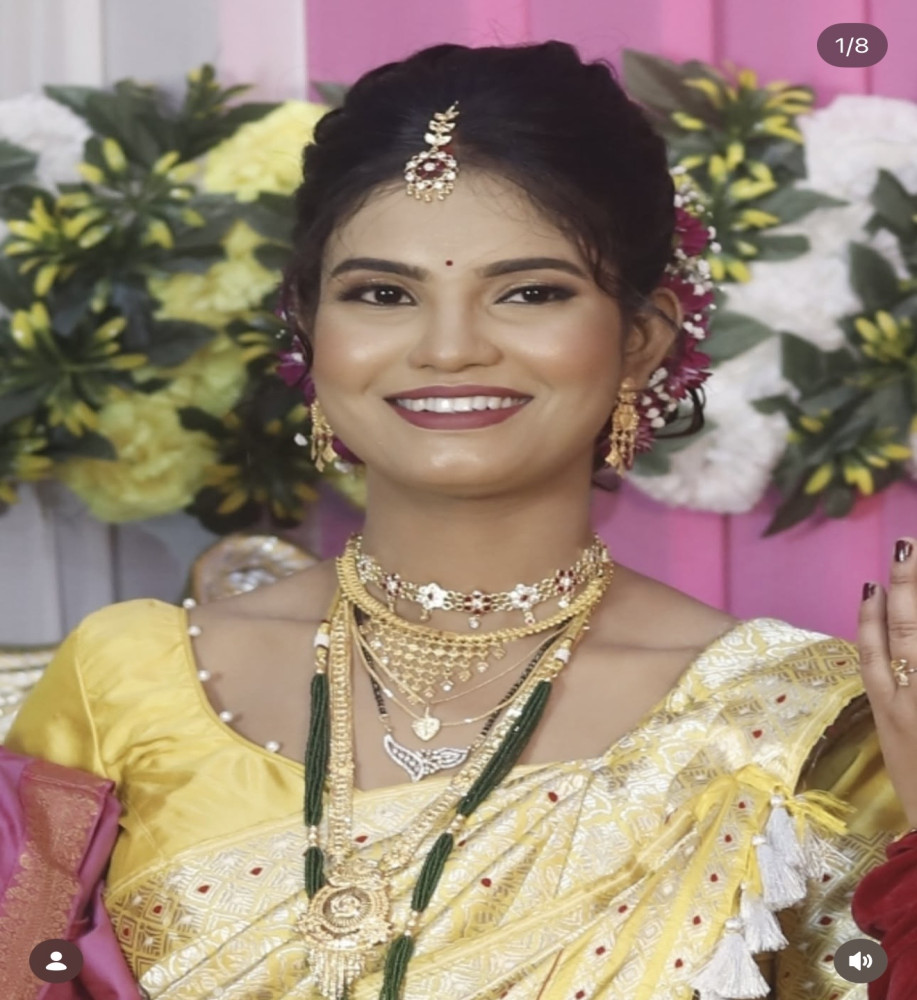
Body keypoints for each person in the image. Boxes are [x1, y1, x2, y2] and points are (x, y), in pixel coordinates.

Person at [3, 41, 916, 1000]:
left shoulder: (786, 725)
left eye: (529, 292)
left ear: (639, 339)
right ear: (307, 328)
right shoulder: (127, 685)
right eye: (382, 294)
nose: (448, 347)